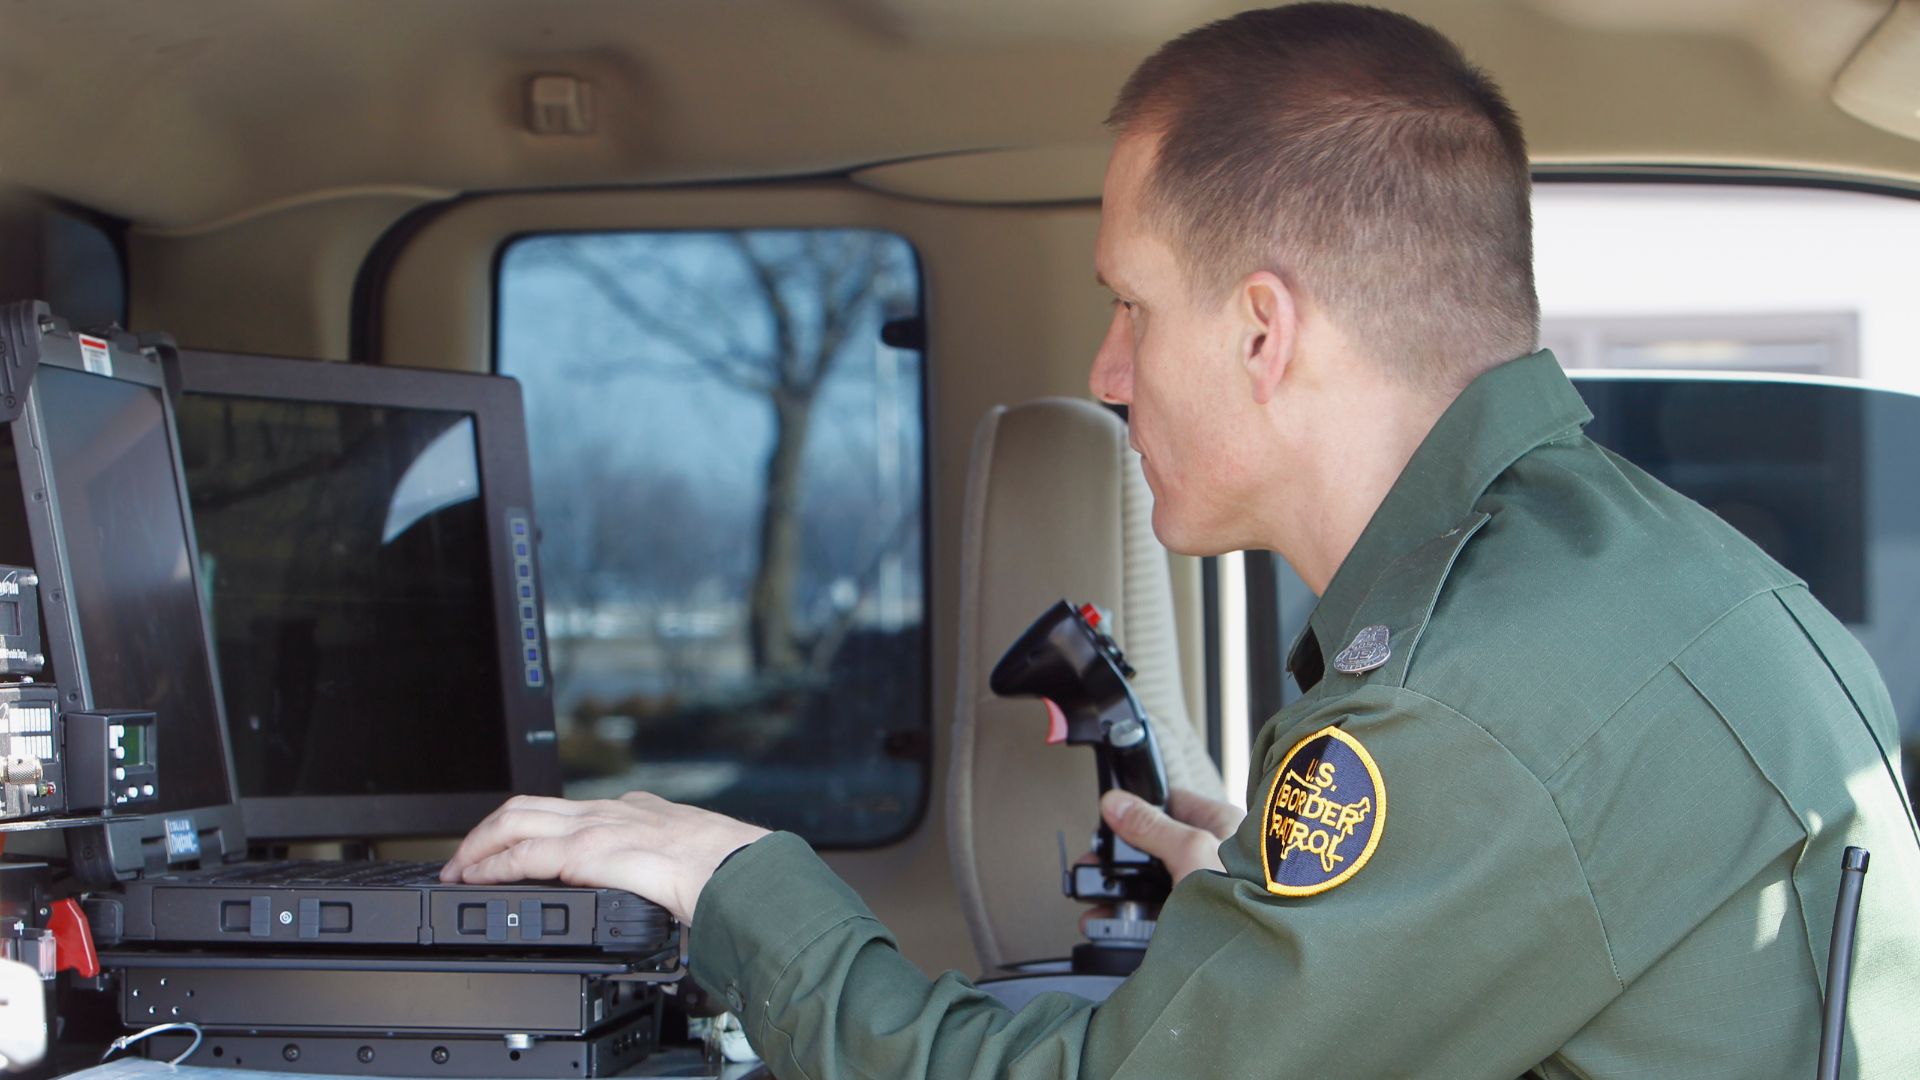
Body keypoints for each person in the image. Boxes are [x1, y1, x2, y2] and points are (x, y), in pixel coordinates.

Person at [443, 5, 1920, 1076]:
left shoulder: (1465, 714)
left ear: (1264, 331)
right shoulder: (1628, 580)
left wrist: (736, 880)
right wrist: (1289, 922)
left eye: (1133, 305)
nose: (1105, 367)